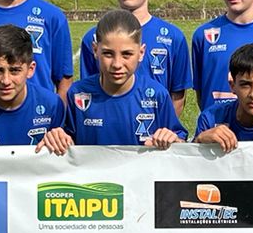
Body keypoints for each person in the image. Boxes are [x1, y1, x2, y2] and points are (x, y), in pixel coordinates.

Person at [78, 0, 192, 119]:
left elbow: (177, 96)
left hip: (155, 140)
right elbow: (90, 92)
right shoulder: (92, 38)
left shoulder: (173, 37)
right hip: (109, 135)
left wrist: (164, 129)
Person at [56, 9, 185, 149]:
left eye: (127, 54)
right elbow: (68, 140)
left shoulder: (157, 95)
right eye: (108, 54)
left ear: (141, 53)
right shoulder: (78, 93)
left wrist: (172, 139)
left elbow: (179, 142)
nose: (117, 64)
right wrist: (58, 137)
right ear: (95, 50)